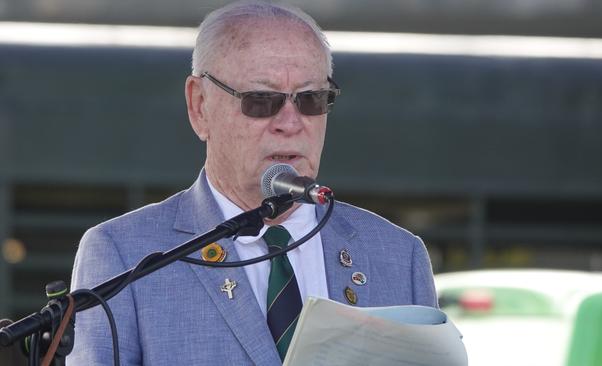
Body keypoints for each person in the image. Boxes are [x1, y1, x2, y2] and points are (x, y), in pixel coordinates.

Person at [68, 2, 437, 365]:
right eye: (262, 101)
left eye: (311, 100)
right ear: (199, 106)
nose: (290, 123)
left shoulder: (400, 257)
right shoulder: (123, 256)